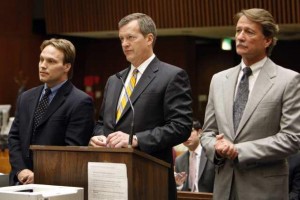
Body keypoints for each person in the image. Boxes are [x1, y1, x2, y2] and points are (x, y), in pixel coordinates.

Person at [89, 13, 193, 200]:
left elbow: (181, 127)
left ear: (149, 39)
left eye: (130, 37)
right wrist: (98, 136)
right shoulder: (115, 80)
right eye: (121, 39)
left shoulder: (171, 76)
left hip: (150, 180)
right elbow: (102, 122)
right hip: (109, 179)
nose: (124, 44)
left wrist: (136, 139)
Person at [200, 8, 300, 200]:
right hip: (224, 188)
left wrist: (239, 150)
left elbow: (291, 138)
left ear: (267, 40)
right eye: (238, 31)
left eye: (249, 32)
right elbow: (207, 133)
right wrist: (218, 148)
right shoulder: (219, 80)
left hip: (264, 190)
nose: (240, 37)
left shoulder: (288, 80)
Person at [8, 38, 95, 185]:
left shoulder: (80, 102)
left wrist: (40, 175)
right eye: (41, 59)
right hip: (20, 182)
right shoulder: (26, 97)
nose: (43, 65)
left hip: (54, 185)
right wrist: (21, 170)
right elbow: (14, 138)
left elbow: (72, 152)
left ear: (66, 66)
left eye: (51, 61)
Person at [175, 120, 214, 192]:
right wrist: (179, 185)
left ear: (199, 133)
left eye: (190, 131)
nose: (186, 136)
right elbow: (179, 189)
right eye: (183, 132)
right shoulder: (179, 160)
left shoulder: (211, 155)